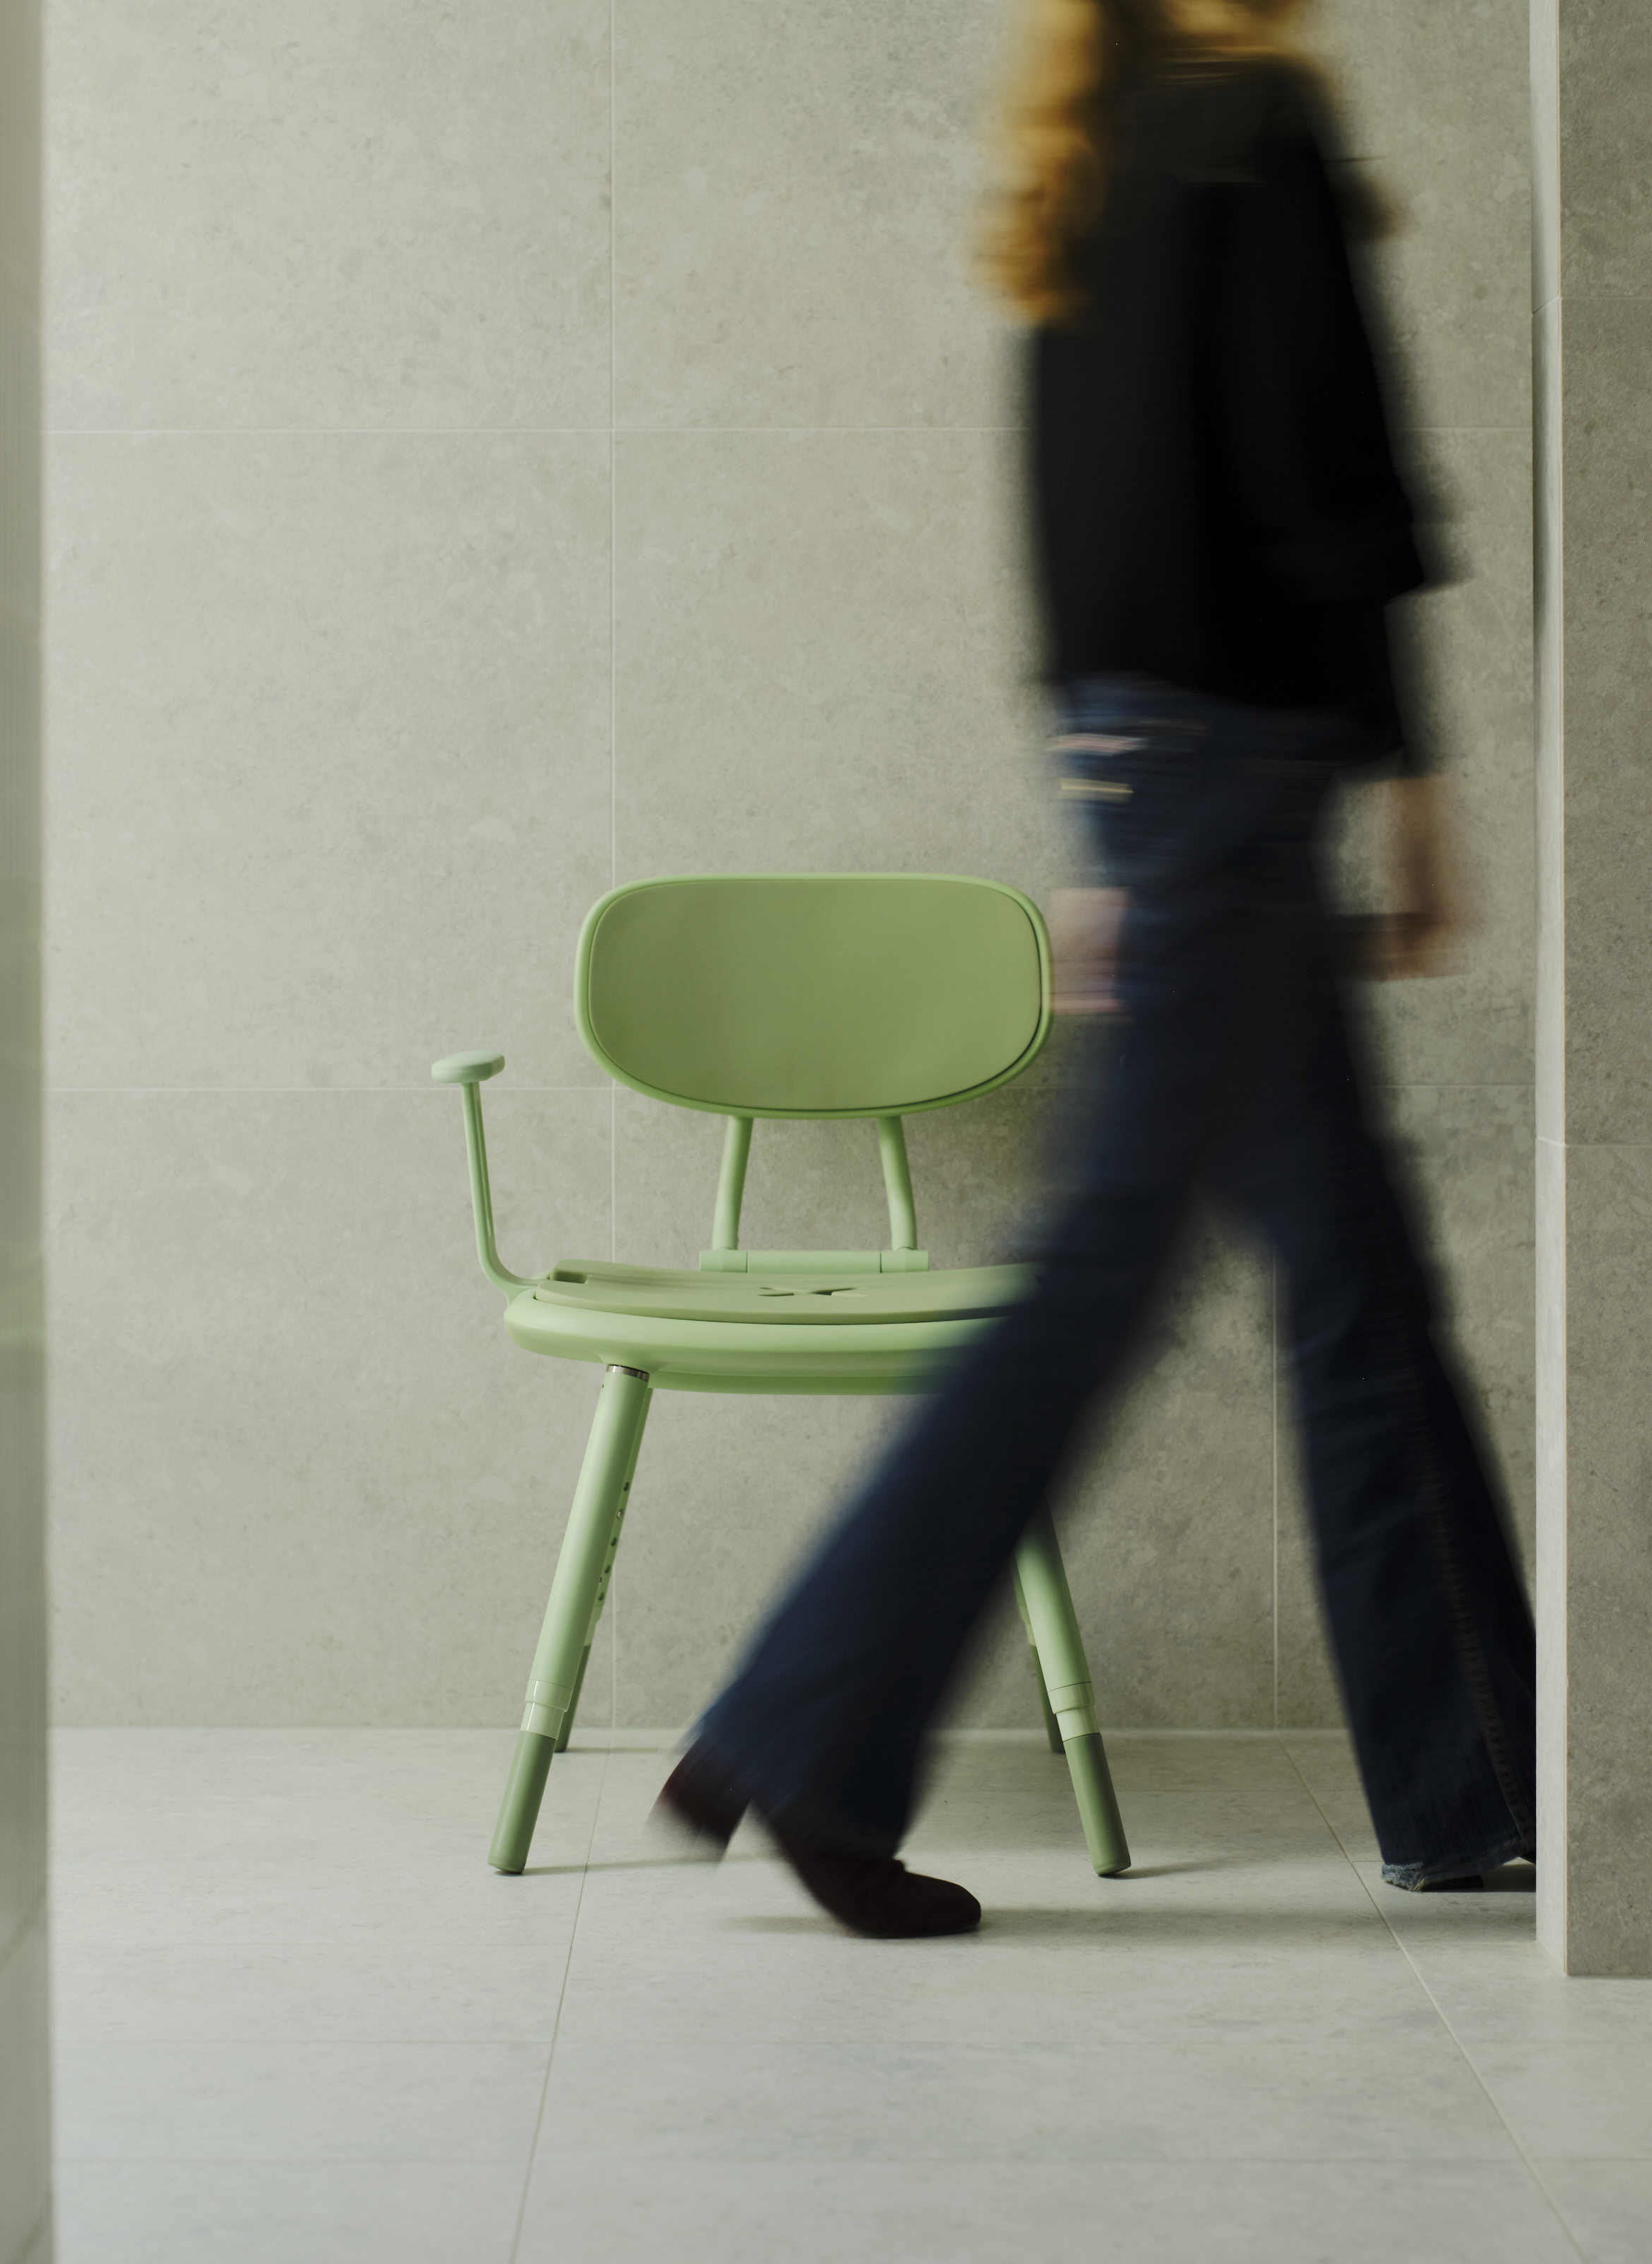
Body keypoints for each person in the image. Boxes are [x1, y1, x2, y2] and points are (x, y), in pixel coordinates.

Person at [653, 0, 1536, 1937]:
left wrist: (1117, 808)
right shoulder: (1261, 117)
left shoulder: (1086, 150)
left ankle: (1482, 1784)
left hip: (1152, 757)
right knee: (1101, 1268)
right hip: (1243, 766)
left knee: (1359, 1285)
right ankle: (799, 1732)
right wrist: (1419, 802)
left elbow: (1095, 526)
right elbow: (1342, 491)